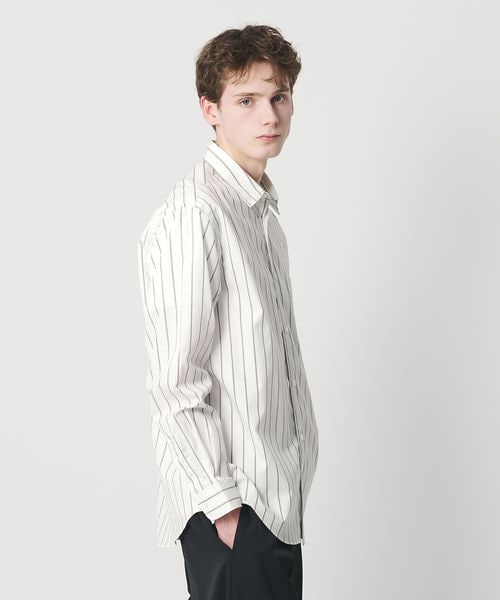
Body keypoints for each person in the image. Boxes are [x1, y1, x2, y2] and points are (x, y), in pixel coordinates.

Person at [137, 23, 319, 600]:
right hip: (235, 510)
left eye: (279, 96)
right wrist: (224, 508)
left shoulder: (260, 216)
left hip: (274, 507)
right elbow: (175, 380)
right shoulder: (196, 214)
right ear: (209, 109)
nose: (269, 115)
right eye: (246, 100)